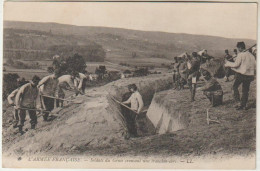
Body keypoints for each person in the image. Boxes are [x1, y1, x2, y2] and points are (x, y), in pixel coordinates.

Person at [224, 42, 256, 110]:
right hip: (250, 76)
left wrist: (227, 63)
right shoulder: (252, 56)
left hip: (241, 75)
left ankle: (238, 103)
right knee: (245, 90)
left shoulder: (241, 55)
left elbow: (236, 65)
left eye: (238, 48)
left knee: (234, 87)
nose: (238, 50)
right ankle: (244, 105)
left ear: (240, 48)